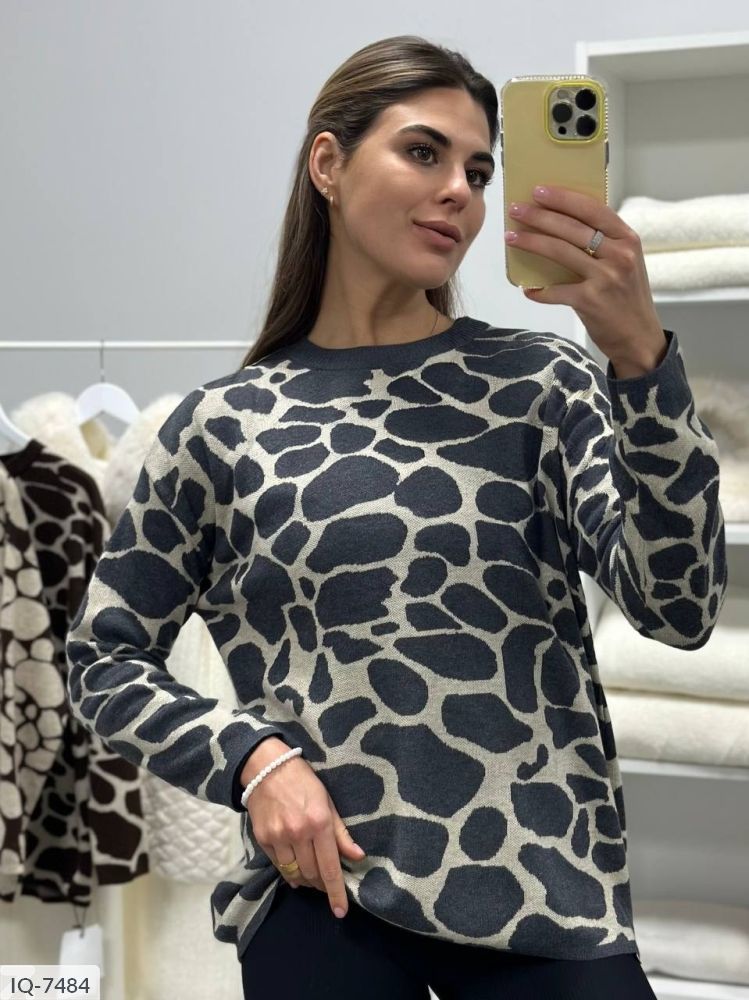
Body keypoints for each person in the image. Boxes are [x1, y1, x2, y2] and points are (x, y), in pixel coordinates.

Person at [65, 34, 727, 1000]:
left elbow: (679, 606)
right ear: (327, 165)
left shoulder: (539, 384)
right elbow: (102, 660)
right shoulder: (224, 425)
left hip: (548, 897)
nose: (458, 190)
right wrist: (252, 762)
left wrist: (639, 361)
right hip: (326, 900)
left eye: (478, 171)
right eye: (422, 152)